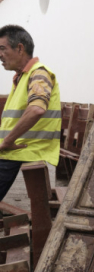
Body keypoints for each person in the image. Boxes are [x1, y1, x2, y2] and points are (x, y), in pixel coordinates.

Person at [0, 25, 61, 201]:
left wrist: (7, 141)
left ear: (20, 48)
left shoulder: (39, 73)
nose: (0, 55)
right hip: (17, 150)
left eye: (2, 49)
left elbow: (37, 108)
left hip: (21, 150)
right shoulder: (22, 77)